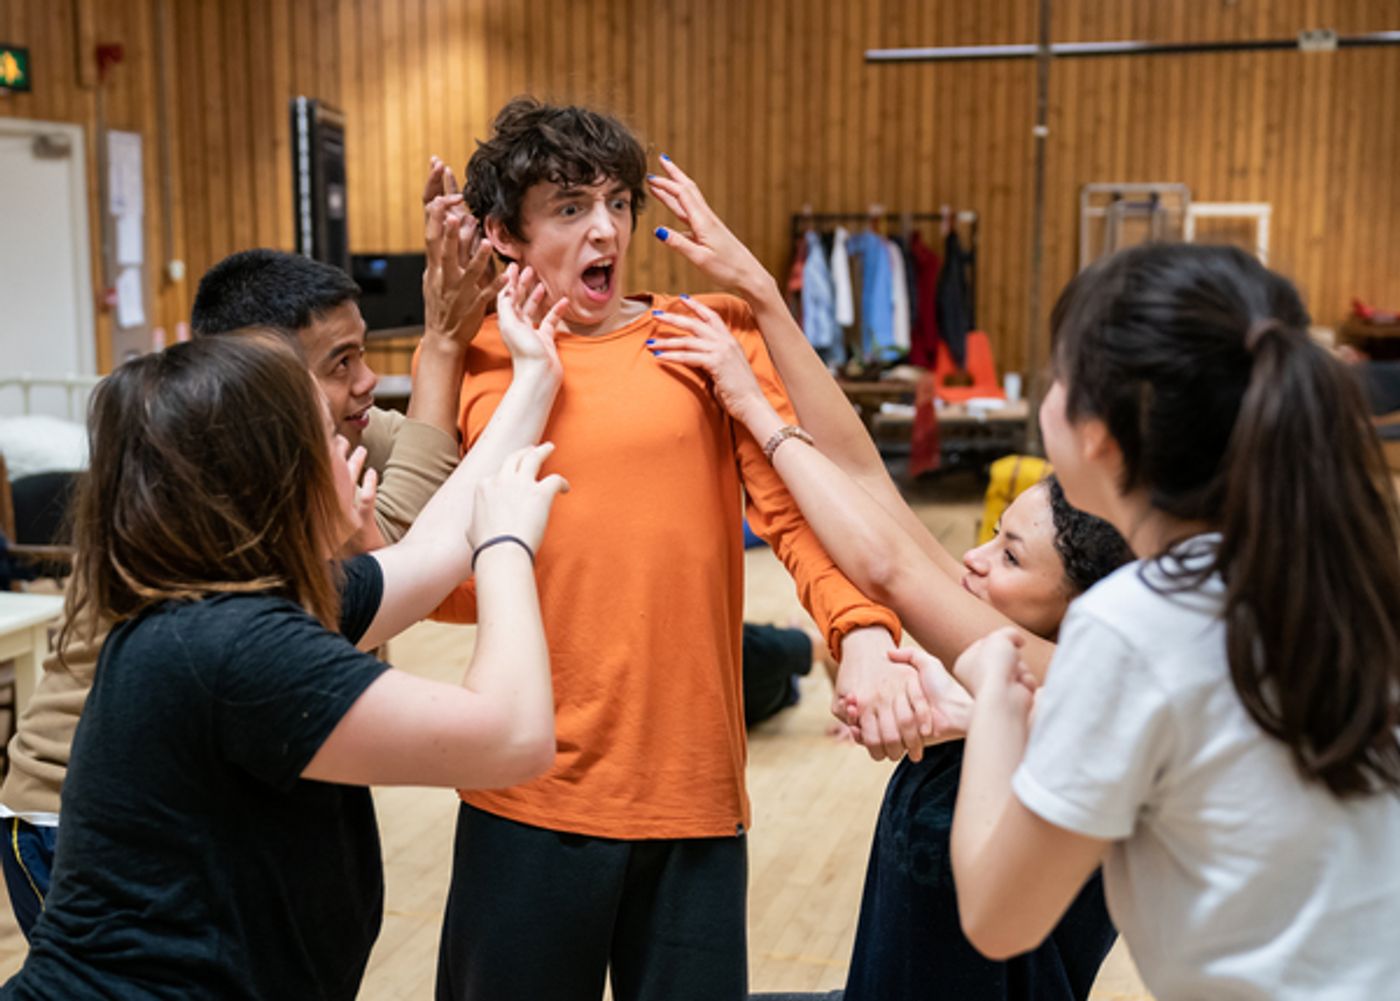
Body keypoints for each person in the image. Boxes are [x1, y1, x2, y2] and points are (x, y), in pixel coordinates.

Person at [429, 97, 915, 1001]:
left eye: (617, 202)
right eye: (570, 207)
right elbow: (451, 582)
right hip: (524, 792)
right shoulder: (480, 358)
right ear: (503, 233)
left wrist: (861, 634)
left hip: (689, 796)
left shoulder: (706, 336)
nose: (606, 228)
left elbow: (794, 514)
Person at [1, 266, 570, 998]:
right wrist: (507, 549)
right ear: (274, 473)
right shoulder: (230, 646)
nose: (350, 447)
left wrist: (535, 376)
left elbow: (432, 550)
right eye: (322, 435)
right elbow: (514, 735)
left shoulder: (244, 601)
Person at [642, 160, 1134, 998]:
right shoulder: (1002, 656)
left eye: (1012, 557)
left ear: (1083, 606)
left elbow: (887, 565)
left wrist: (754, 408)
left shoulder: (1062, 673)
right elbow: (866, 475)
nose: (973, 559)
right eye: (992, 538)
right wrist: (762, 295)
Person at [948, 244, 1400, 1000]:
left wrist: (994, 692)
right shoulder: (1344, 576)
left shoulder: (1134, 622)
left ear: (1100, 432)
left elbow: (999, 918)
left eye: (1059, 377)